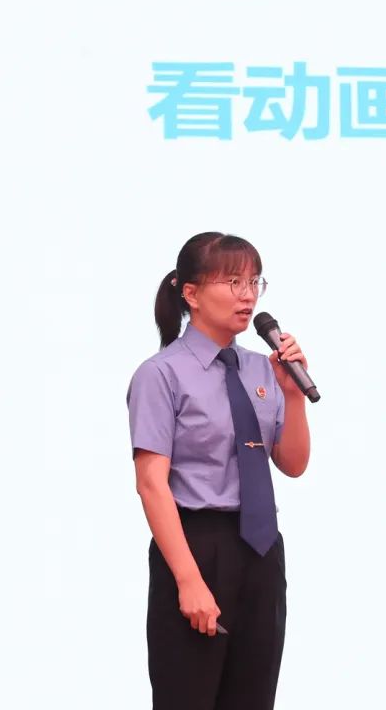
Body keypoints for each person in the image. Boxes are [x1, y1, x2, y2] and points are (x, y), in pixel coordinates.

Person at [126, 232, 312, 710]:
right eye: (233, 282)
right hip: (195, 545)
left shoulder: (262, 369)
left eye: (254, 282)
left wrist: (292, 394)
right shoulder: (160, 374)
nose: (248, 295)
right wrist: (188, 580)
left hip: (261, 550)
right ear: (191, 293)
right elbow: (151, 484)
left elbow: (292, 464)